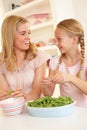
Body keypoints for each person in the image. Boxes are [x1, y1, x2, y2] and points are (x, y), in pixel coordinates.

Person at [0, 15, 50, 101]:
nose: (28, 37)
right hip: (13, 111)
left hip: (35, 109)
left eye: (29, 33)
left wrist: (23, 97)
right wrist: (4, 96)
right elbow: (6, 94)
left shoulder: (39, 57)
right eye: (23, 33)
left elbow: (36, 93)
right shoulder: (1, 61)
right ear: (10, 36)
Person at [41, 18, 87, 108]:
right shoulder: (55, 62)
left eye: (59, 39)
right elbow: (48, 94)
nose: (56, 43)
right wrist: (46, 85)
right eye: (55, 40)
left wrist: (70, 78)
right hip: (66, 111)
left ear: (74, 39)